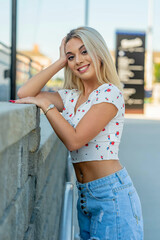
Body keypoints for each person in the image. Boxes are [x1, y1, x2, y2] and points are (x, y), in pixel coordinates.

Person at [12, 26, 144, 240]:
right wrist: (59, 61)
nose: (78, 60)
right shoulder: (71, 97)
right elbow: (24, 93)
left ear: (98, 52)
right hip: (85, 196)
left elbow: (74, 140)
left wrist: (48, 107)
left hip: (111, 195)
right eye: (71, 56)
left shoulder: (110, 93)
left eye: (84, 51)